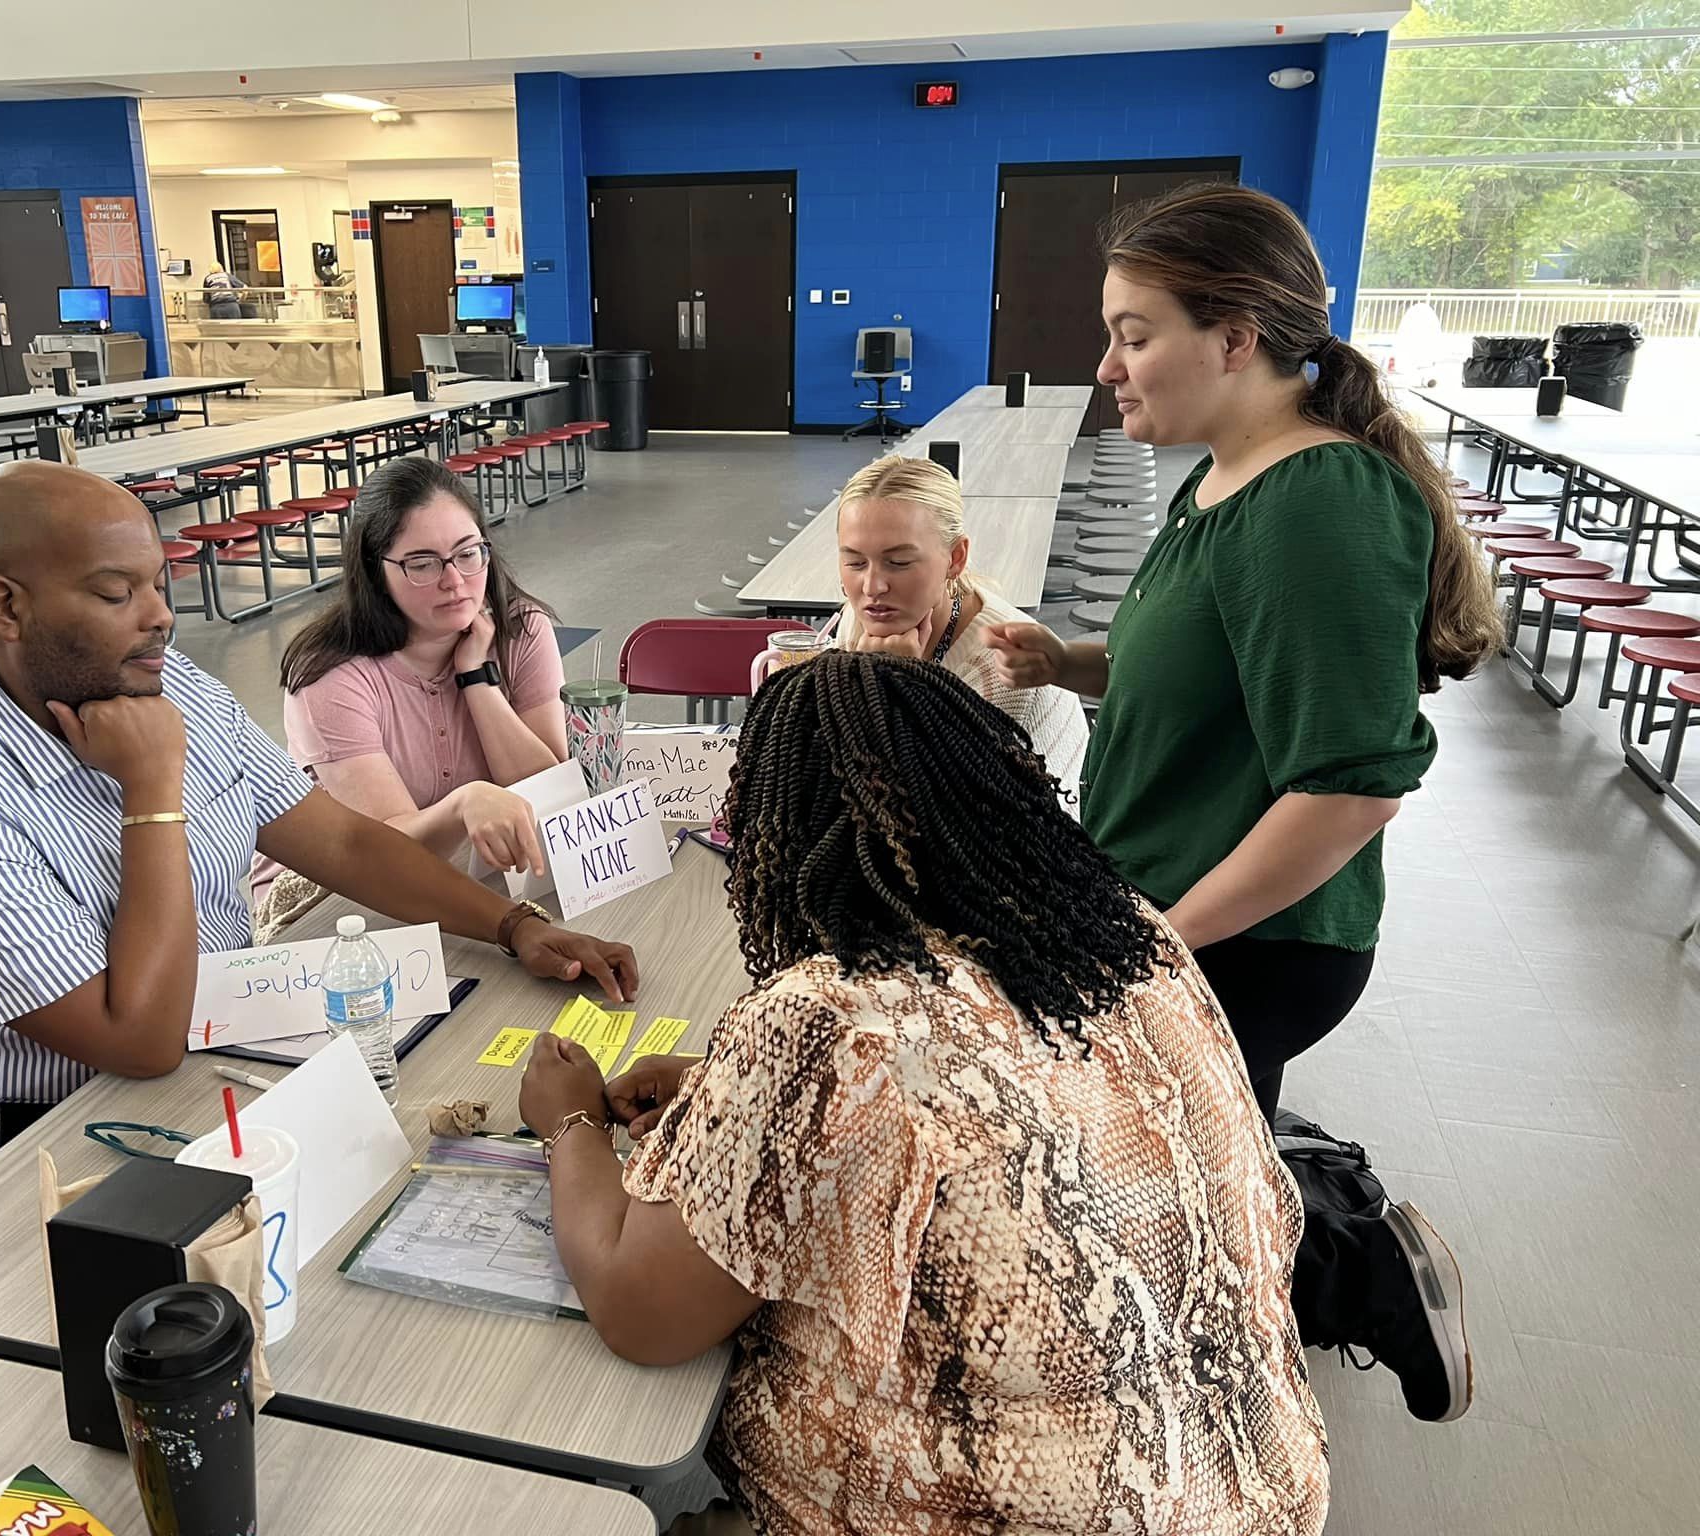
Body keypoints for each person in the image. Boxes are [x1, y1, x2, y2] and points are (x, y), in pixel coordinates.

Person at [521, 652, 1329, 1536]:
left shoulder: (833, 1023)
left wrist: (568, 1121)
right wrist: (729, 1094)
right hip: (1255, 1487)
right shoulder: (1130, 937)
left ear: (772, 833)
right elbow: (981, 1097)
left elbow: (641, 1313)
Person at [986, 184, 1502, 1423]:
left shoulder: (1317, 503)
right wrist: (1073, 664)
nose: (1107, 364)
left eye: (1133, 331)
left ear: (1236, 336)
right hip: (1165, 910)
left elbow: (1347, 786)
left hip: (1245, 938)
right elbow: (1211, 677)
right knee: (1182, 1175)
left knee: (1161, 1199)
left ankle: (1351, 1271)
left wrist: (1165, 939)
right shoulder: (1221, 479)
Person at [0, 460, 635, 1203]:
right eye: (115, 592)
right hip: (30, 1131)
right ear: (4, 607)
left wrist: (513, 924)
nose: (159, 616)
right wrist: (153, 790)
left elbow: (343, 843)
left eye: (158, 583)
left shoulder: (166, 680)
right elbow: (138, 1041)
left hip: (215, 1044)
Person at [251, 457, 566, 938]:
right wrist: (464, 804)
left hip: (473, 872)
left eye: (468, 553)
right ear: (376, 572)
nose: (455, 581)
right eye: (422, 564)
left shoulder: (521, 631)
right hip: (337, 900)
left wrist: (476, 678)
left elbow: (548, 791)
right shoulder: (332, 676)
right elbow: (384, 854)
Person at [833, 453, 1088, 802]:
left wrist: (903, 687)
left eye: (899, 563)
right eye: (855, 562)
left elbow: (990, 830)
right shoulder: (862, 619)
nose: (872, 586)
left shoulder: (1015, 676)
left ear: (956, 558)